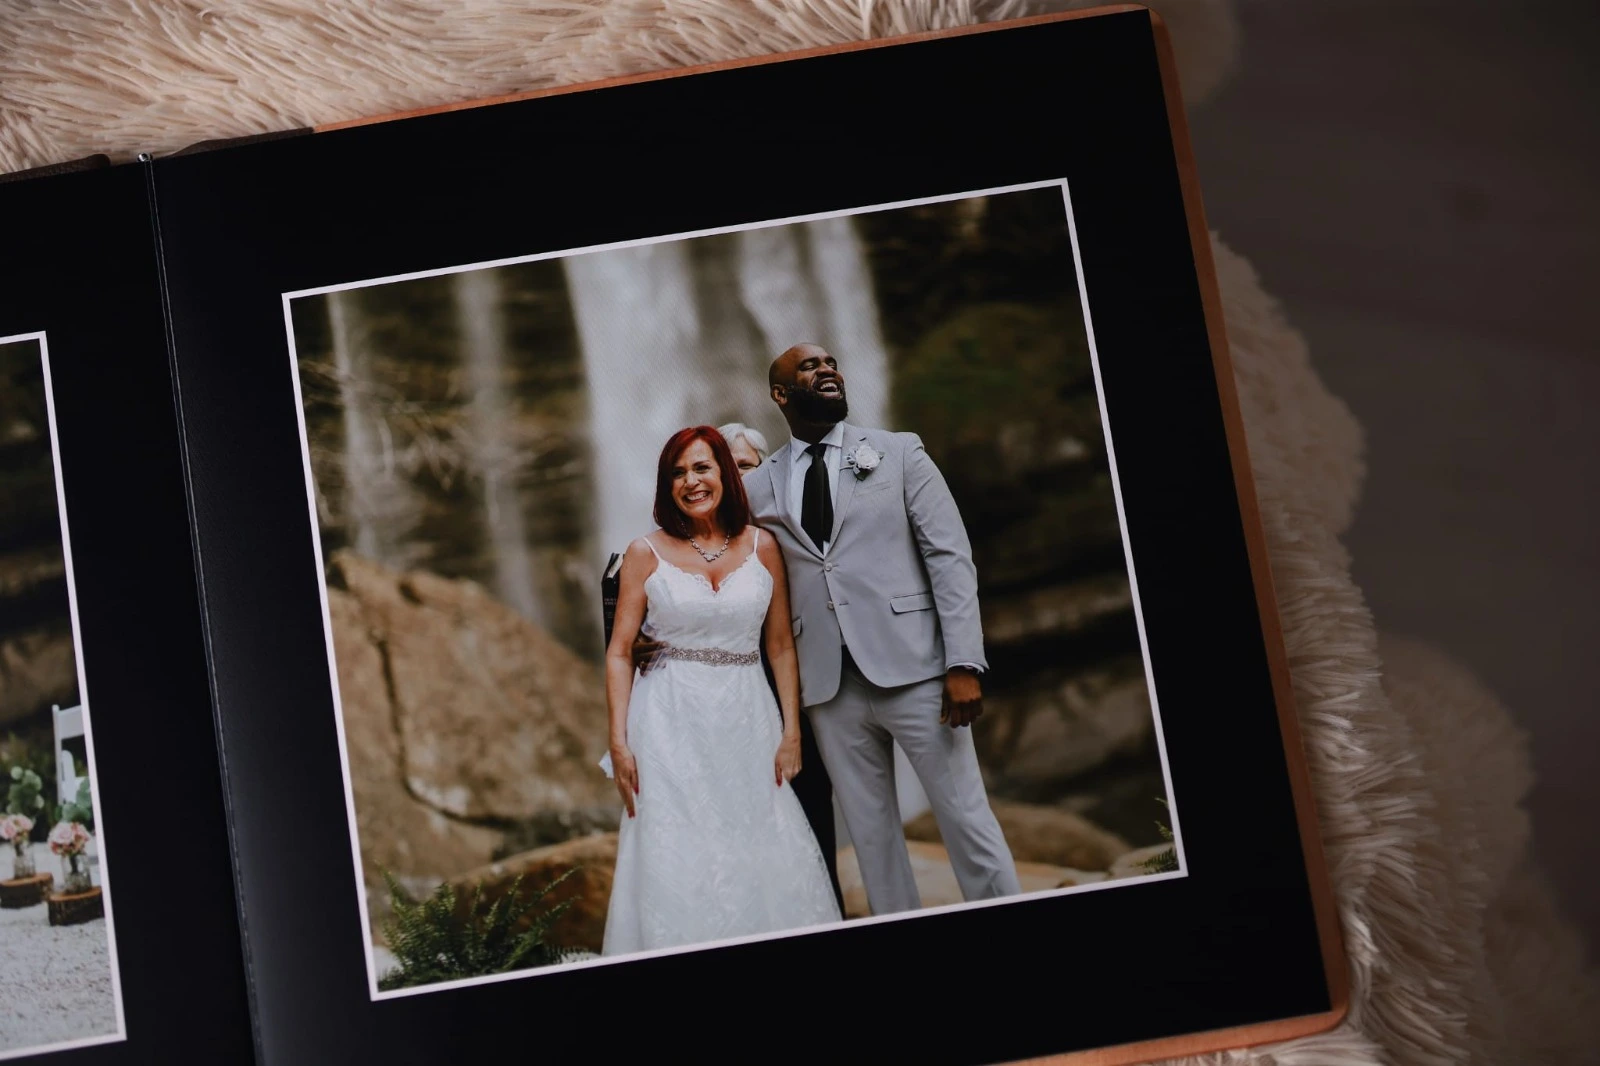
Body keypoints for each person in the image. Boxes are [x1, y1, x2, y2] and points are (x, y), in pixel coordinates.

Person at [739, 343, 1022, 916]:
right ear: (780, 394)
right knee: (870, 839)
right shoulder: (756, 487)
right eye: (808, 367)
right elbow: (710, 561)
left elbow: (949, 556)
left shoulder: (898, 452)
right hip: (827, 690)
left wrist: (963, 662)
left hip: (917, 670)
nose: (826, 370)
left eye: (830, 363)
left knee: (966, 818)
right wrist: (647, 623)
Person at [599, 426, 840, 955]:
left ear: (725, 474)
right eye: (678, 473)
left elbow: (780, 646)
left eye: (702, 468)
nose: (692, 481)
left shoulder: (764, 547)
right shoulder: (644, 552)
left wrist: (791, 732)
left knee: (761, 839)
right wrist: (619, 742)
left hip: (749, 717)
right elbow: (619, 651)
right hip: (666, 719)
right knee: (676, 847)